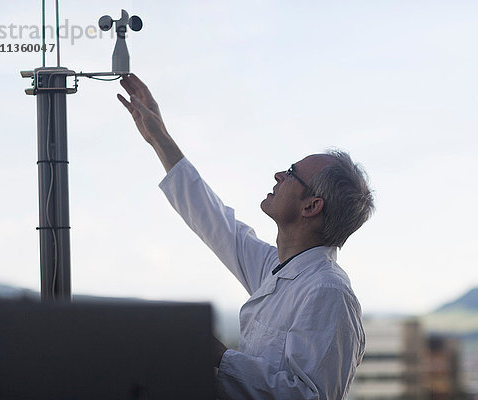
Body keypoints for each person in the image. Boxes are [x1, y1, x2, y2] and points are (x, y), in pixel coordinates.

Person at [118, 74, 374, 399]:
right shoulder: (278, 269)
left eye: (291, 173)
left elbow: (310, 397)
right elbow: (214, 220)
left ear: (311, 205)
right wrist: (159, 137)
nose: (278, 175)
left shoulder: (327, 292)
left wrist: (221, 358)